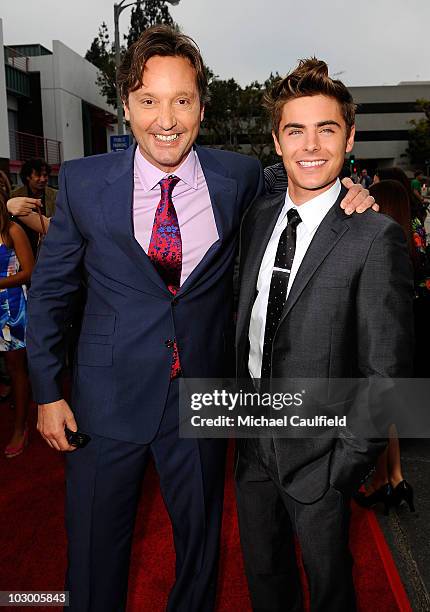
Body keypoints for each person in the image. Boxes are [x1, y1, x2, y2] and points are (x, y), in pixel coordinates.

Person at [26, 26, 375, 612]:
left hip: (205, 396)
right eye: (149, 100)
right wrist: (44, 390)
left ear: (202, 107)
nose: (166, 119)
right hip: (105, 397)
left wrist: (351, 193)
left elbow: (303, 186)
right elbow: (52, 292)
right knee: (93, 551)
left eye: (181, 100)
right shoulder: (85, 184)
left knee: (200, 548)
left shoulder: (235, 178)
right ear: (128, 106)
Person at [235, 59, 414, 611]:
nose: (310, 145)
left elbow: (387, 375)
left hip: (322, 461)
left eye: (327, 128)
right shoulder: (258, 217)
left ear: (350, 136)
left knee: (331, 591)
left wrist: (343, 469)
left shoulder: (375, 234)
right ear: (276, 138)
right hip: (249, 448)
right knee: (266, 583)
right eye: (295, 129)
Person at [354, 178, 430, 514]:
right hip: (415, 326)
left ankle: (380, 481)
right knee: (390, 409)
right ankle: (397, 479)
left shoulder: (379, 236)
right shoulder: (415, 233)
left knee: (377, 407)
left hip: (383, 330)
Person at [0, 171, 34, 457]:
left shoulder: (12, 231)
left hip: (11, 310)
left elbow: (29, 272)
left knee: (16, 368)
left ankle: (20, 427)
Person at [9, 158, 57, 256]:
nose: (43, 179)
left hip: (51, 247)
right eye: (38, 175)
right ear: (27, 177)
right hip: (24, 245)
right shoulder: (15, 196)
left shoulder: (56, 195)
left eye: (45, 175)